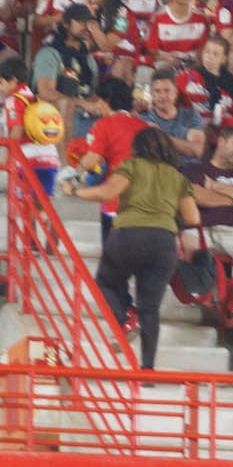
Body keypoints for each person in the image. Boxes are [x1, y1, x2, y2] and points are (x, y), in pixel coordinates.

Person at [60, 127, 197, 369]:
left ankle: (125, 318)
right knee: (150, 308)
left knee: (106, 282)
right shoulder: (178, 178)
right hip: (163, 242)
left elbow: (108, 192)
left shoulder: (131, 167)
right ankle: (147, 370)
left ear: (138, 147)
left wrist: (76, 191)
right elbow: (193, 217)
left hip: (128, 236)